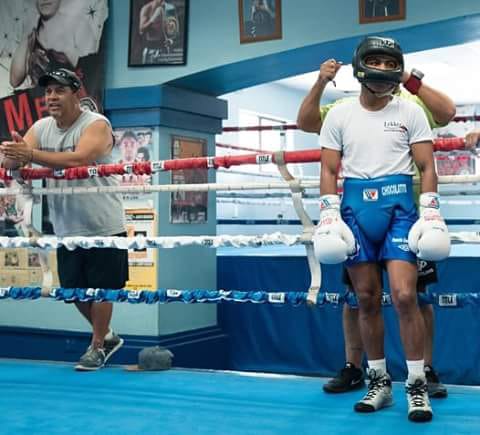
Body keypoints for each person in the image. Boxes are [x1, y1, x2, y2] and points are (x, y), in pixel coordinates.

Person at [297, 45, 455, 400]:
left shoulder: (411, 106)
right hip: (354, 212)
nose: (382, 68)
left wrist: (408, 79)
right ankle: (368, 375)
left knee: (410, 295)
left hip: (406, 214)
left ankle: (421, 375)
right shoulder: (340, 110)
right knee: (361, 297)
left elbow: (446, 113)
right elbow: (307, 124)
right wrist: (328, 212)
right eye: (376, 62)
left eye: (389, 63)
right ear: (359, 68)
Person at [0, 68, 128, 371]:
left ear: (76, 93)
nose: (52, 97)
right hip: (66, 225)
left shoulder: (96, 124)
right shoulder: (43, 127)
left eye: (59, 91)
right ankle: (107, 336)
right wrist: (12, 153)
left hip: (103, 223)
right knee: (72, 291)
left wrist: (29, 153)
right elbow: (13, 160)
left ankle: (96, 347)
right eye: (48, 92)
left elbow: (80, 158)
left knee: (102, 289)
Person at [10, 0, 98, 89]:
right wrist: (27, 34)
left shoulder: (78, 24)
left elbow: (92, 68)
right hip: (44, 98)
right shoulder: (33, 32)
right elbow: (14, 81)